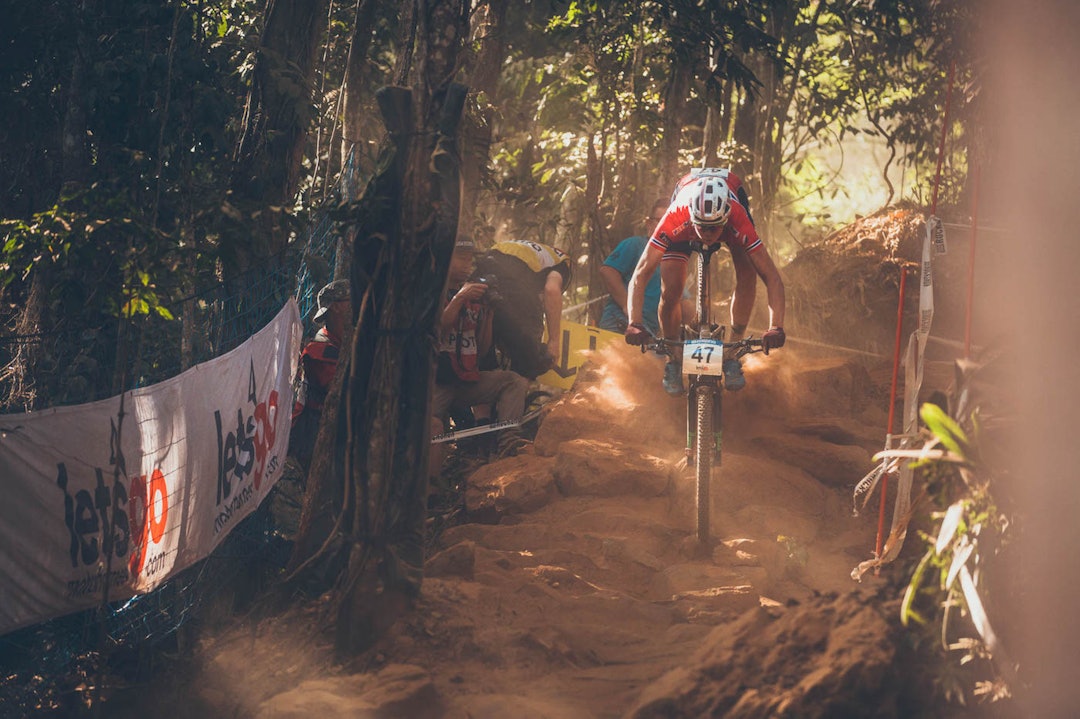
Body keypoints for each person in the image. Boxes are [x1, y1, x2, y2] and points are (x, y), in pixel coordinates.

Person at [624, 168, 786, 395]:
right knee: (671, 289)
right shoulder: (676, 216)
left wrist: (775, 326)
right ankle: (673, 358)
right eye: (702, 226)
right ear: (692, 217)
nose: (708, 234)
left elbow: (772, 278)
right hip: (685, 217)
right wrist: (634, 321)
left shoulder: (736, 217)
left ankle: (731, 355)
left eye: (714, 228)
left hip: (732, 194)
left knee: (748, 273)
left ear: (726, 217)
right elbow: (640, 274)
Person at [429, 239, 531, 484]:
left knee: (513, 381)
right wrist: (460, 297)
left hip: (464, 380)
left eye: (470, 259)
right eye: (461, 258)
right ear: (446, 258)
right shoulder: (432, 290)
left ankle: (508, 441)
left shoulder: (473, 297)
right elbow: (437, 330)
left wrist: (488, 314)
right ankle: (430, 492)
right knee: (433, 428)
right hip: (433, 383)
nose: (468, 264)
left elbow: (482, 348)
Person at [472, 239, 572, 380]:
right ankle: (517, 392)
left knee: (479, 348)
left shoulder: (533, 251)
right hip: (513, 279)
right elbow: (551, 290)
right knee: (532, 355)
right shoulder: (564, 262)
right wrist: (554, 341)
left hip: (484, 270)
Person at [599, 199, 691, 336]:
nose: (666, 226)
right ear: (649, 223)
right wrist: (627, 306)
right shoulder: (635, 245)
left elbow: (684, 302)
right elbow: (608, 271)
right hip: (620, 323)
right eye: (660, 221)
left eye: (672, 222)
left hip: (649, 334)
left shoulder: (675, 259)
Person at [289, 278, 350, 473]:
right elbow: (343, 392)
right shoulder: (319, 350)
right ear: (338, 307)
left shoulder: (345, 341)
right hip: (317, 433)